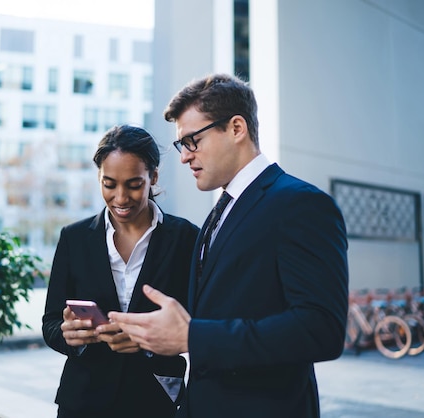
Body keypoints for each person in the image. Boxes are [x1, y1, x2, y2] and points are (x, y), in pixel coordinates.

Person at [109, 74, 349, 418]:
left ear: (237, 128)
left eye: (192, 141)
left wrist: (194, 337)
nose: (184, 157)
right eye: (181, 145)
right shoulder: (219, 212)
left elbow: (321, 329)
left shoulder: (301, 205)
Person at [42, 125, 199, 418]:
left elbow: (200, 322)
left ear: (153, 176)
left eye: (134, 184)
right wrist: (69, 336)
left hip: (156, 397)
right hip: (83, 400)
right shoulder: (74, 238)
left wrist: (150, 341)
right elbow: (51, 322)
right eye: (109, 184)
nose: (120, 197)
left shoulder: (187, 239)